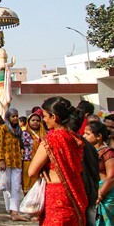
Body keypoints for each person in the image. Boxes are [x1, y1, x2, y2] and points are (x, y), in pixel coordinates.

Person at [28, 96, 87, 226]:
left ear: (54, 117)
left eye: (45, 116)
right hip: (75, 190)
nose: (43, 120)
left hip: (56, 194)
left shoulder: (51, 139)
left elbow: (32, 172)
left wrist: (43, 169)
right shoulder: (75, 138)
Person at [83, 121, 114, 226]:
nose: (84, 136)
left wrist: (100, 195)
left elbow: (111, 177)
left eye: (87, 134)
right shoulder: (87, 151)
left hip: (106, 192)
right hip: (92, 190)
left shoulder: (107, 152)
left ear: (98, 136)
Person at [0, 108, 26, 221]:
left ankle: (15, 211)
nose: (15, 118)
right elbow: (0, 144)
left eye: (16, 116)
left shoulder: (19, 130)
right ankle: (9, 208)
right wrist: (0, 160)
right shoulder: (3, 129)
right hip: (6, 161)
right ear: (8, 117)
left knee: (15, 187)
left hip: (17, 161)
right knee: (7, 186)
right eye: (13, 116)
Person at [22, 112, 46, 194]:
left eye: (37, 120)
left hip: (41, 162)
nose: (35, 122)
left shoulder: (44, 134)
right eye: (33, 120)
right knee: (28, 186)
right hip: (28, 161)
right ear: (28, 122)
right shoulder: (24, 134)